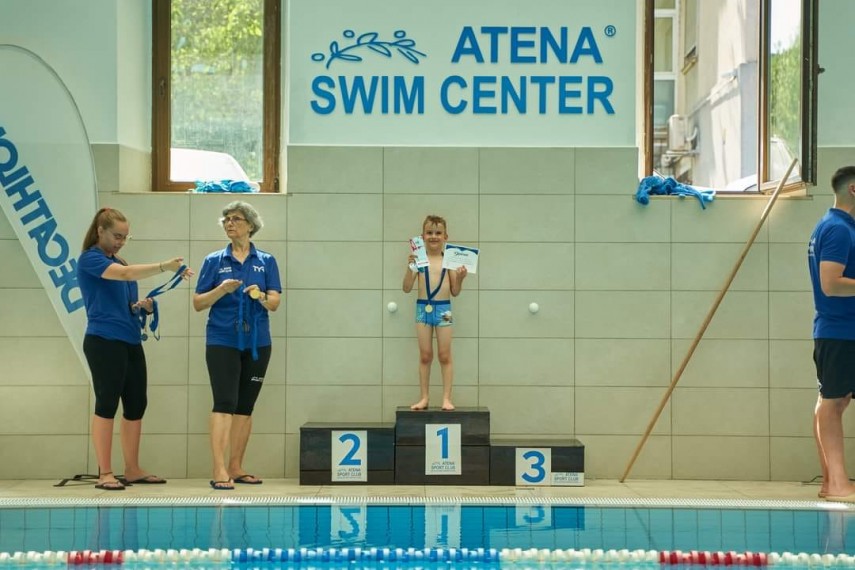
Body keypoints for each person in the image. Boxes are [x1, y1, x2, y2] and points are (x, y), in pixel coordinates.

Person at [78, 207, 192, 490]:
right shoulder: (90, 260)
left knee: (136, 403)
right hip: (103, 341)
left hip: (129, 340)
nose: (120, 242)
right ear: (100, 231)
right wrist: (164, 266)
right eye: (117, 236)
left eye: (125, 237)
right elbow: (126, 274)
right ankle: (106, 472)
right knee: (107, 403)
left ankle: (132, 469)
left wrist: (142, 307)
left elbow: (125, 295)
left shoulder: (119, 260)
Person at [193, 201, 281, 490]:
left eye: (236, 219)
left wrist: (260, 297)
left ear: (251, 225)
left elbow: (275, 302)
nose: (230, 223)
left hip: (258, 342)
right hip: (222, 340)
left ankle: (236, 466)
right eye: (226, 219)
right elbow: (197, 303)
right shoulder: (214, 261)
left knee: (245, 407)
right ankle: (219, 469)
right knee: (224, 403)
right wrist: (221, 290)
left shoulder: (266, 261)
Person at [808, 165, 855, 502]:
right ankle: (838, 485)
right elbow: (831, 283)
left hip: (840, 331)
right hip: (841, 331)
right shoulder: (838, 229)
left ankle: (830, 482)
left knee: (833, 401)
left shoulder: (837, 226)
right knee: (833, 401)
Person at [402, 215, 468, 411]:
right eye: (429, 233)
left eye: (438, 233)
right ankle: (424, 398)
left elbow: (455, 292)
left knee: (445, 355)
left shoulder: (449, 261)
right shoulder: (419, 260)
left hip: (444, 310)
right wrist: (409, 268)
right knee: (425, 355)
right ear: (422, 237)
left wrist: (462, 278)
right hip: (423, 309)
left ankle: (446, 398)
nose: (433, 236)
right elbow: (406, 288)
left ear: (445, 236)